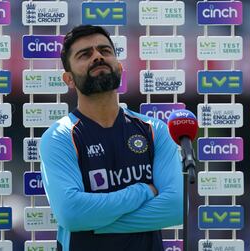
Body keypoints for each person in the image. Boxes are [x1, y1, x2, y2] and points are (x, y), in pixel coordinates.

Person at [39, 25, 183, 251]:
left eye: (105, 51)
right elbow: (72, 214)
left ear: (119, 66)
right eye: (85, 54)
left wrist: (95, 222)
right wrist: (143, 191)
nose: (97, 56)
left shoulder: (155, 130)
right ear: (68, 79)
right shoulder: (59, 137)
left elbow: (175, 208)